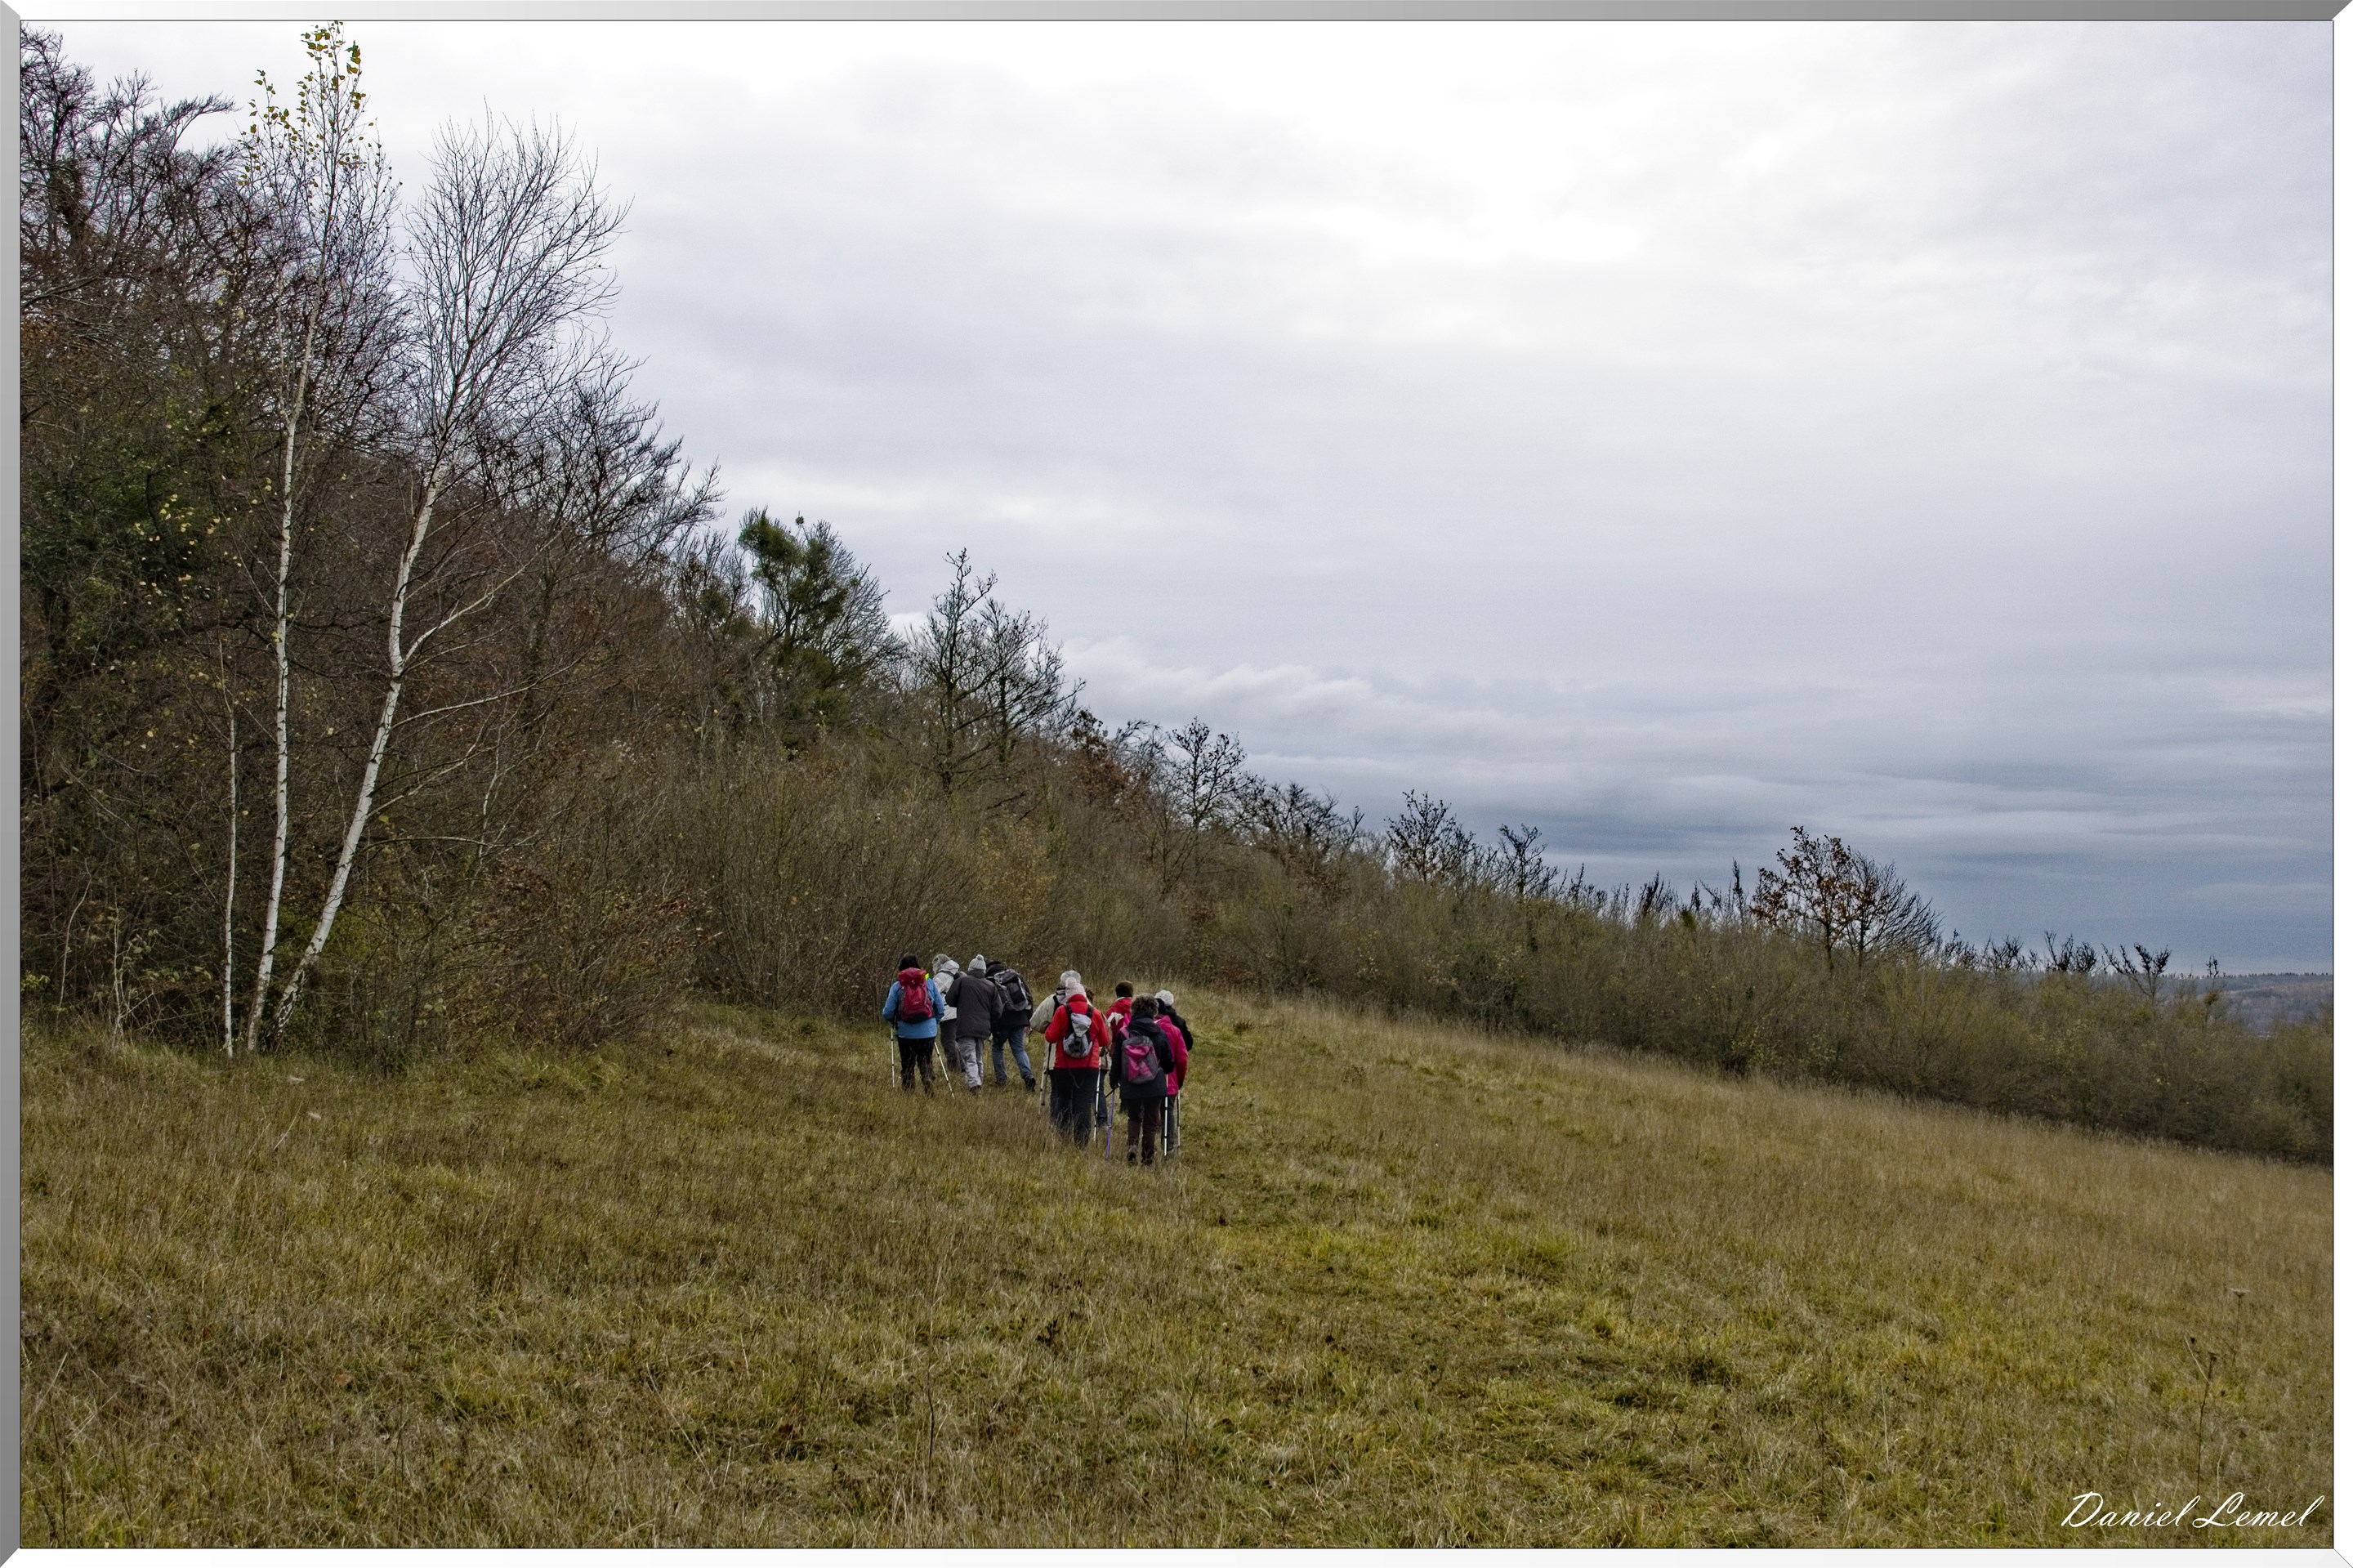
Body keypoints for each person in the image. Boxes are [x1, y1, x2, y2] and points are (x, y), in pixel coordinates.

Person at [1041, 971, 1108, 1146]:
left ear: (1068, 996)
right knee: (1083, 1104)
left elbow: (1051, 1037)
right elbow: (1105, 1041)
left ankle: (1062, 1137)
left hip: (1064, 1066)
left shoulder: (1063, 1011)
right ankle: (1081, 1143)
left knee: (1063, 1099)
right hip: (1090, 1067)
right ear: (1085, 996)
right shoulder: (1096, 1013)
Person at [1111, 994, 1178, 1165]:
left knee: (1134, 1117)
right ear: (1154, 1011)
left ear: (1134, 1010)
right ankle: (1148, 1157)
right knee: (1151, 1121)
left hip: (1130, 1082)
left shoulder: (1123, 1033)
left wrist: (1114, 1080)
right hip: (1154, 1084)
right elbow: (1169, 1062)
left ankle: (1132, 1144)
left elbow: (1117, 1059)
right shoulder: (1160, 1034)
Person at [881, 954, 945, 1093]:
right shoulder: (929, 983)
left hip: (905, 1032)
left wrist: (893, 1021)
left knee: (907, 1063)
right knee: (925, 1058)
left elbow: (887, 1011)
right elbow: (940, 1008)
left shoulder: (898, 985)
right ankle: (927, 1076)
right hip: (928, 1031)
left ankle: (909, 1091)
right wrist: (935, 1022)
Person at [943, 956, 998, 1094]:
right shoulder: (991, 986)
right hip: (983, 1028)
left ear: (970, 969)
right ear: (984, 970)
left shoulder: (962, 982)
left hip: (965, 1026)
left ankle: (974, 1084)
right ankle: (978, 1082)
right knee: (978, 1058)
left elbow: (949, 1000)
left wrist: (962, 1003)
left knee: (969, 1057)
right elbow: (998, 1010)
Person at [983, 958, 1038, 1091]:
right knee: (1019, 1049)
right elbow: (1029, 997)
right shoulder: (1015, 975)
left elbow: (990, 1006)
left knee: (997, 1048)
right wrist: (1028, 1019)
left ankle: (1001, 1080)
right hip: (1020, 1018)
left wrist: (991, 1026)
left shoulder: (989, 980)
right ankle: (1028, 1076)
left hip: (1001, 1021)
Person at [1155, 989, 1193, 1156]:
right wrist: (1180, 1078)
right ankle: (1168, 1146)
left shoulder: (1145, 1025)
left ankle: (1145, 1145)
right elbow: (1184, 1053)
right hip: (1169, 1076)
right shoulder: (1177, 1023)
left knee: (1147, 1110)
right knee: (1168, 1111)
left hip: (1146, 1075)